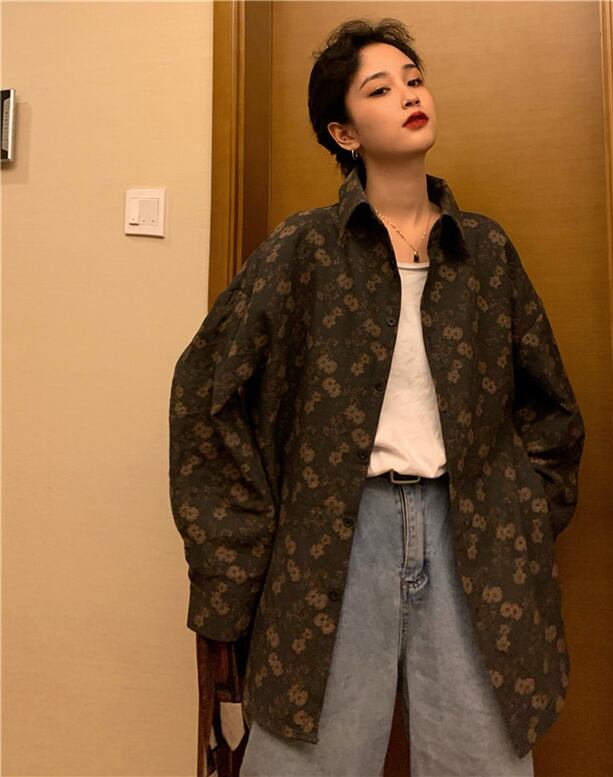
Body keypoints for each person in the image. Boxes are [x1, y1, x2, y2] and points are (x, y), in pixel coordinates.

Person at [169, 17, 586, 777]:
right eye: (380, 88)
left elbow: (550, 406)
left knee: (483, 758)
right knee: (307, 758)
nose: (408, 95)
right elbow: (205, 394)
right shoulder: (304, 250)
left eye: (414, 79)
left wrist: (521, 510)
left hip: (472, 536)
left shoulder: (485, 250)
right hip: (333, 538)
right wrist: (239, 553)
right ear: (344, 131)